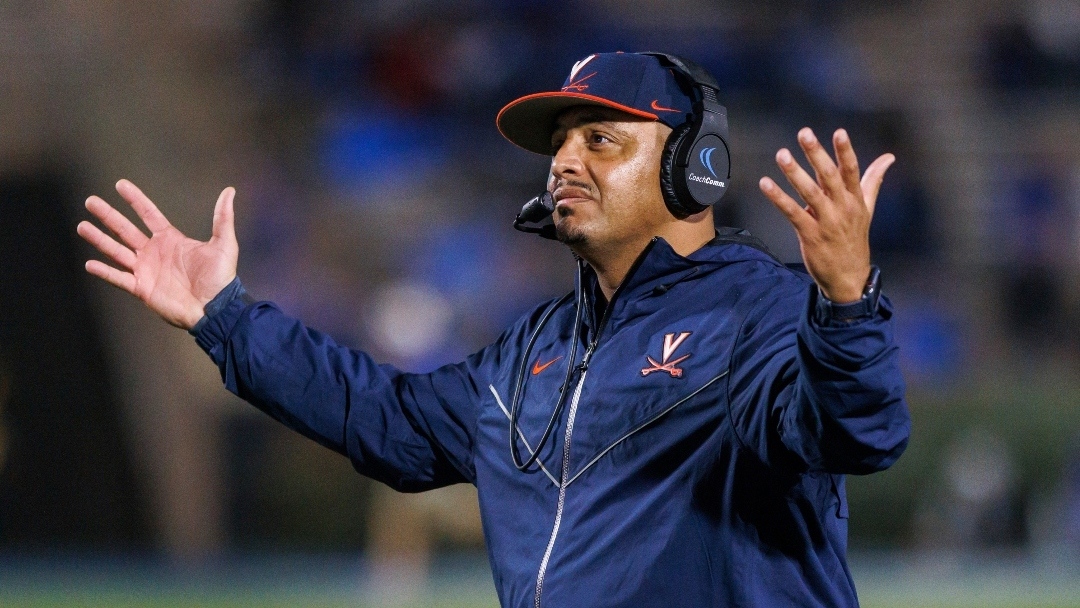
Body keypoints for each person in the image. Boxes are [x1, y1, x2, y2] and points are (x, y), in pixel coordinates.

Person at [77, 52, 909, 607]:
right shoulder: (533, 350)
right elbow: (387, 420)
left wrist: (842, 302)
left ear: (696, 166)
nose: (564, 162)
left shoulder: (753, 310)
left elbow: (855, 433)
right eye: (559, 144)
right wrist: (226, 320)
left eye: (600, 139)